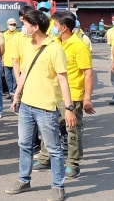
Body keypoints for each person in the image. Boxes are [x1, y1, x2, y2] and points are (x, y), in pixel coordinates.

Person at [6, 9, 76, 201]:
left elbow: (63, 80)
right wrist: (17, 95)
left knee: (54, 149)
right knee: (24, 145)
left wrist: (69, 108)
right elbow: (25, 72)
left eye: (26, 24)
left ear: (35, 27)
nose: (23, 27)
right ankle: (24, 180)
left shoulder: (55, 49)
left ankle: (58, 186)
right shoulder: (28, 45)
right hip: (26, 105)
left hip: (46, 108)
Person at [32, 12, 95, 179]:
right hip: (53, 93)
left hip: (72, 95)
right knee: (48, 126)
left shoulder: (78, 46)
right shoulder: (55, 42)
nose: (52, 27)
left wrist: (87, 98)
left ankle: (73, 163)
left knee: (72, 129)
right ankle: (45, 158)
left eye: (55, 24)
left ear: (64, 27)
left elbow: (88, 73)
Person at [3, 18, 20, 100]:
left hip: (16, 60)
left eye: (14, 24)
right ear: (7, 25)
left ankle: (15, 92)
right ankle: (10, 92)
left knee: (15, 77)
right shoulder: (4, 35)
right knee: (8, 78)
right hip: (6, 60)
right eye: (10, 24)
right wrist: (2, 58)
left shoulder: (19, 35)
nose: (12, 26)